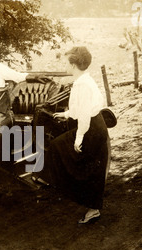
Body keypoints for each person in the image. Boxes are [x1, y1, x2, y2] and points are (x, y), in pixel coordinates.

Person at [33, 46, 109, 224]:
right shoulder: (83, 80)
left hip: (91, 128)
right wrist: (67, 114)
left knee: (61, 148)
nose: (64, 65)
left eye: (66, 62)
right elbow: (80, 108)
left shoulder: (82, 84)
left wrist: (79, 138)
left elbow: (84, 115)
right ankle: (86, 202)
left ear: (74, 65)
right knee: (84, 163)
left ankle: (86, 204)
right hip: (93, 124)